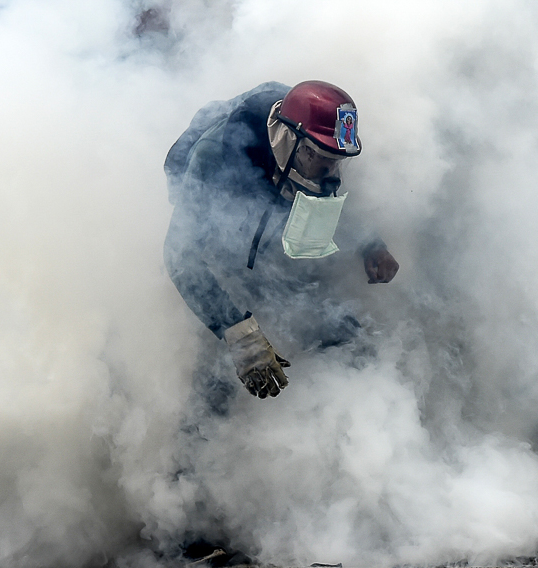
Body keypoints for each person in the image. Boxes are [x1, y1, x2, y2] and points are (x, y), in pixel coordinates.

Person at [164, 80, 399, 402]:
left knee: (341, 332)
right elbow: (181, 257)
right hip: (217, 241)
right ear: (289, 139)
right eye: (321, 158)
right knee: (221, 363)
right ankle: (202, 427)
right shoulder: (215, 159)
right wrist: (240, 336)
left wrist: (370, 244)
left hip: (272, 230)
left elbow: (338, 200)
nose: (332, 173)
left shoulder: (320, 143)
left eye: (338, 161)